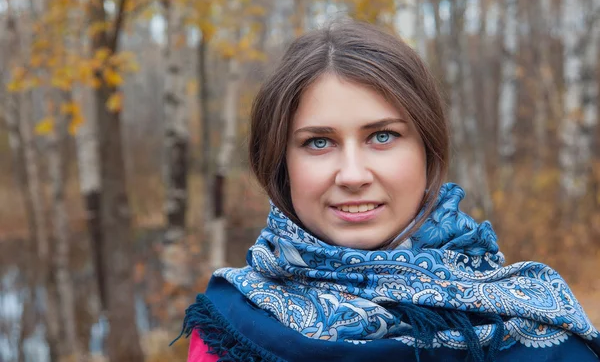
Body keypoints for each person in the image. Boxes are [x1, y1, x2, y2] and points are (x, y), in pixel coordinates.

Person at [177, 19, 600, 361]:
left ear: (427, 150)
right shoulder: (230, 328)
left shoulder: (533, 327)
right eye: (318, 142)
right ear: (281, 165)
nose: (352, 175)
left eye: (381, 136)